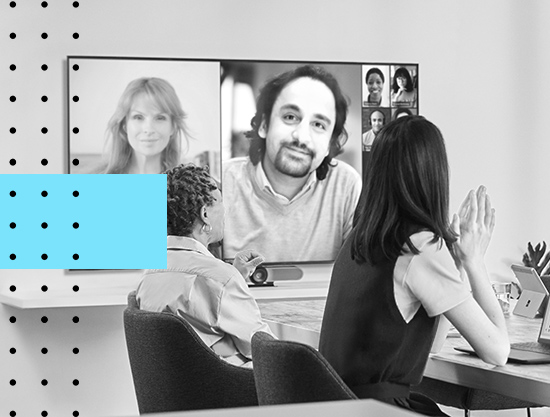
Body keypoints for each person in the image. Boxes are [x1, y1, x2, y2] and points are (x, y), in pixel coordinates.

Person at [319, 116, 509, 416]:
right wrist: (475, 262)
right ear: (434, 173)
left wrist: (456, 263)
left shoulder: (360, 239)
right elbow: (497, 351)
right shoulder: (418, 246)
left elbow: (431, 346)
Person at [137, 164, 274, 367]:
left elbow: (199, 319)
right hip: (233, 387)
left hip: (184, 389)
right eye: (220, 201)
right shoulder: (220, 279)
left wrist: (232, 275)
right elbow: (264, 350)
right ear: (205, 214)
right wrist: (228, 279)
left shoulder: (149, 274)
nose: (225, 210)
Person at [222, 65, 362, 262]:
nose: (301, 137)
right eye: (290, 117)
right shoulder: (220, 182)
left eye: (319, 125)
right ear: (264, 125)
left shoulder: (346, 186)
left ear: (330, 142)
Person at [98, 77, 191, 174]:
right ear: (124, 125)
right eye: (138, 117)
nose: (149, 129)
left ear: (173, 126)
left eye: (160, 118)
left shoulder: (190, 186)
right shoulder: (94, 185)